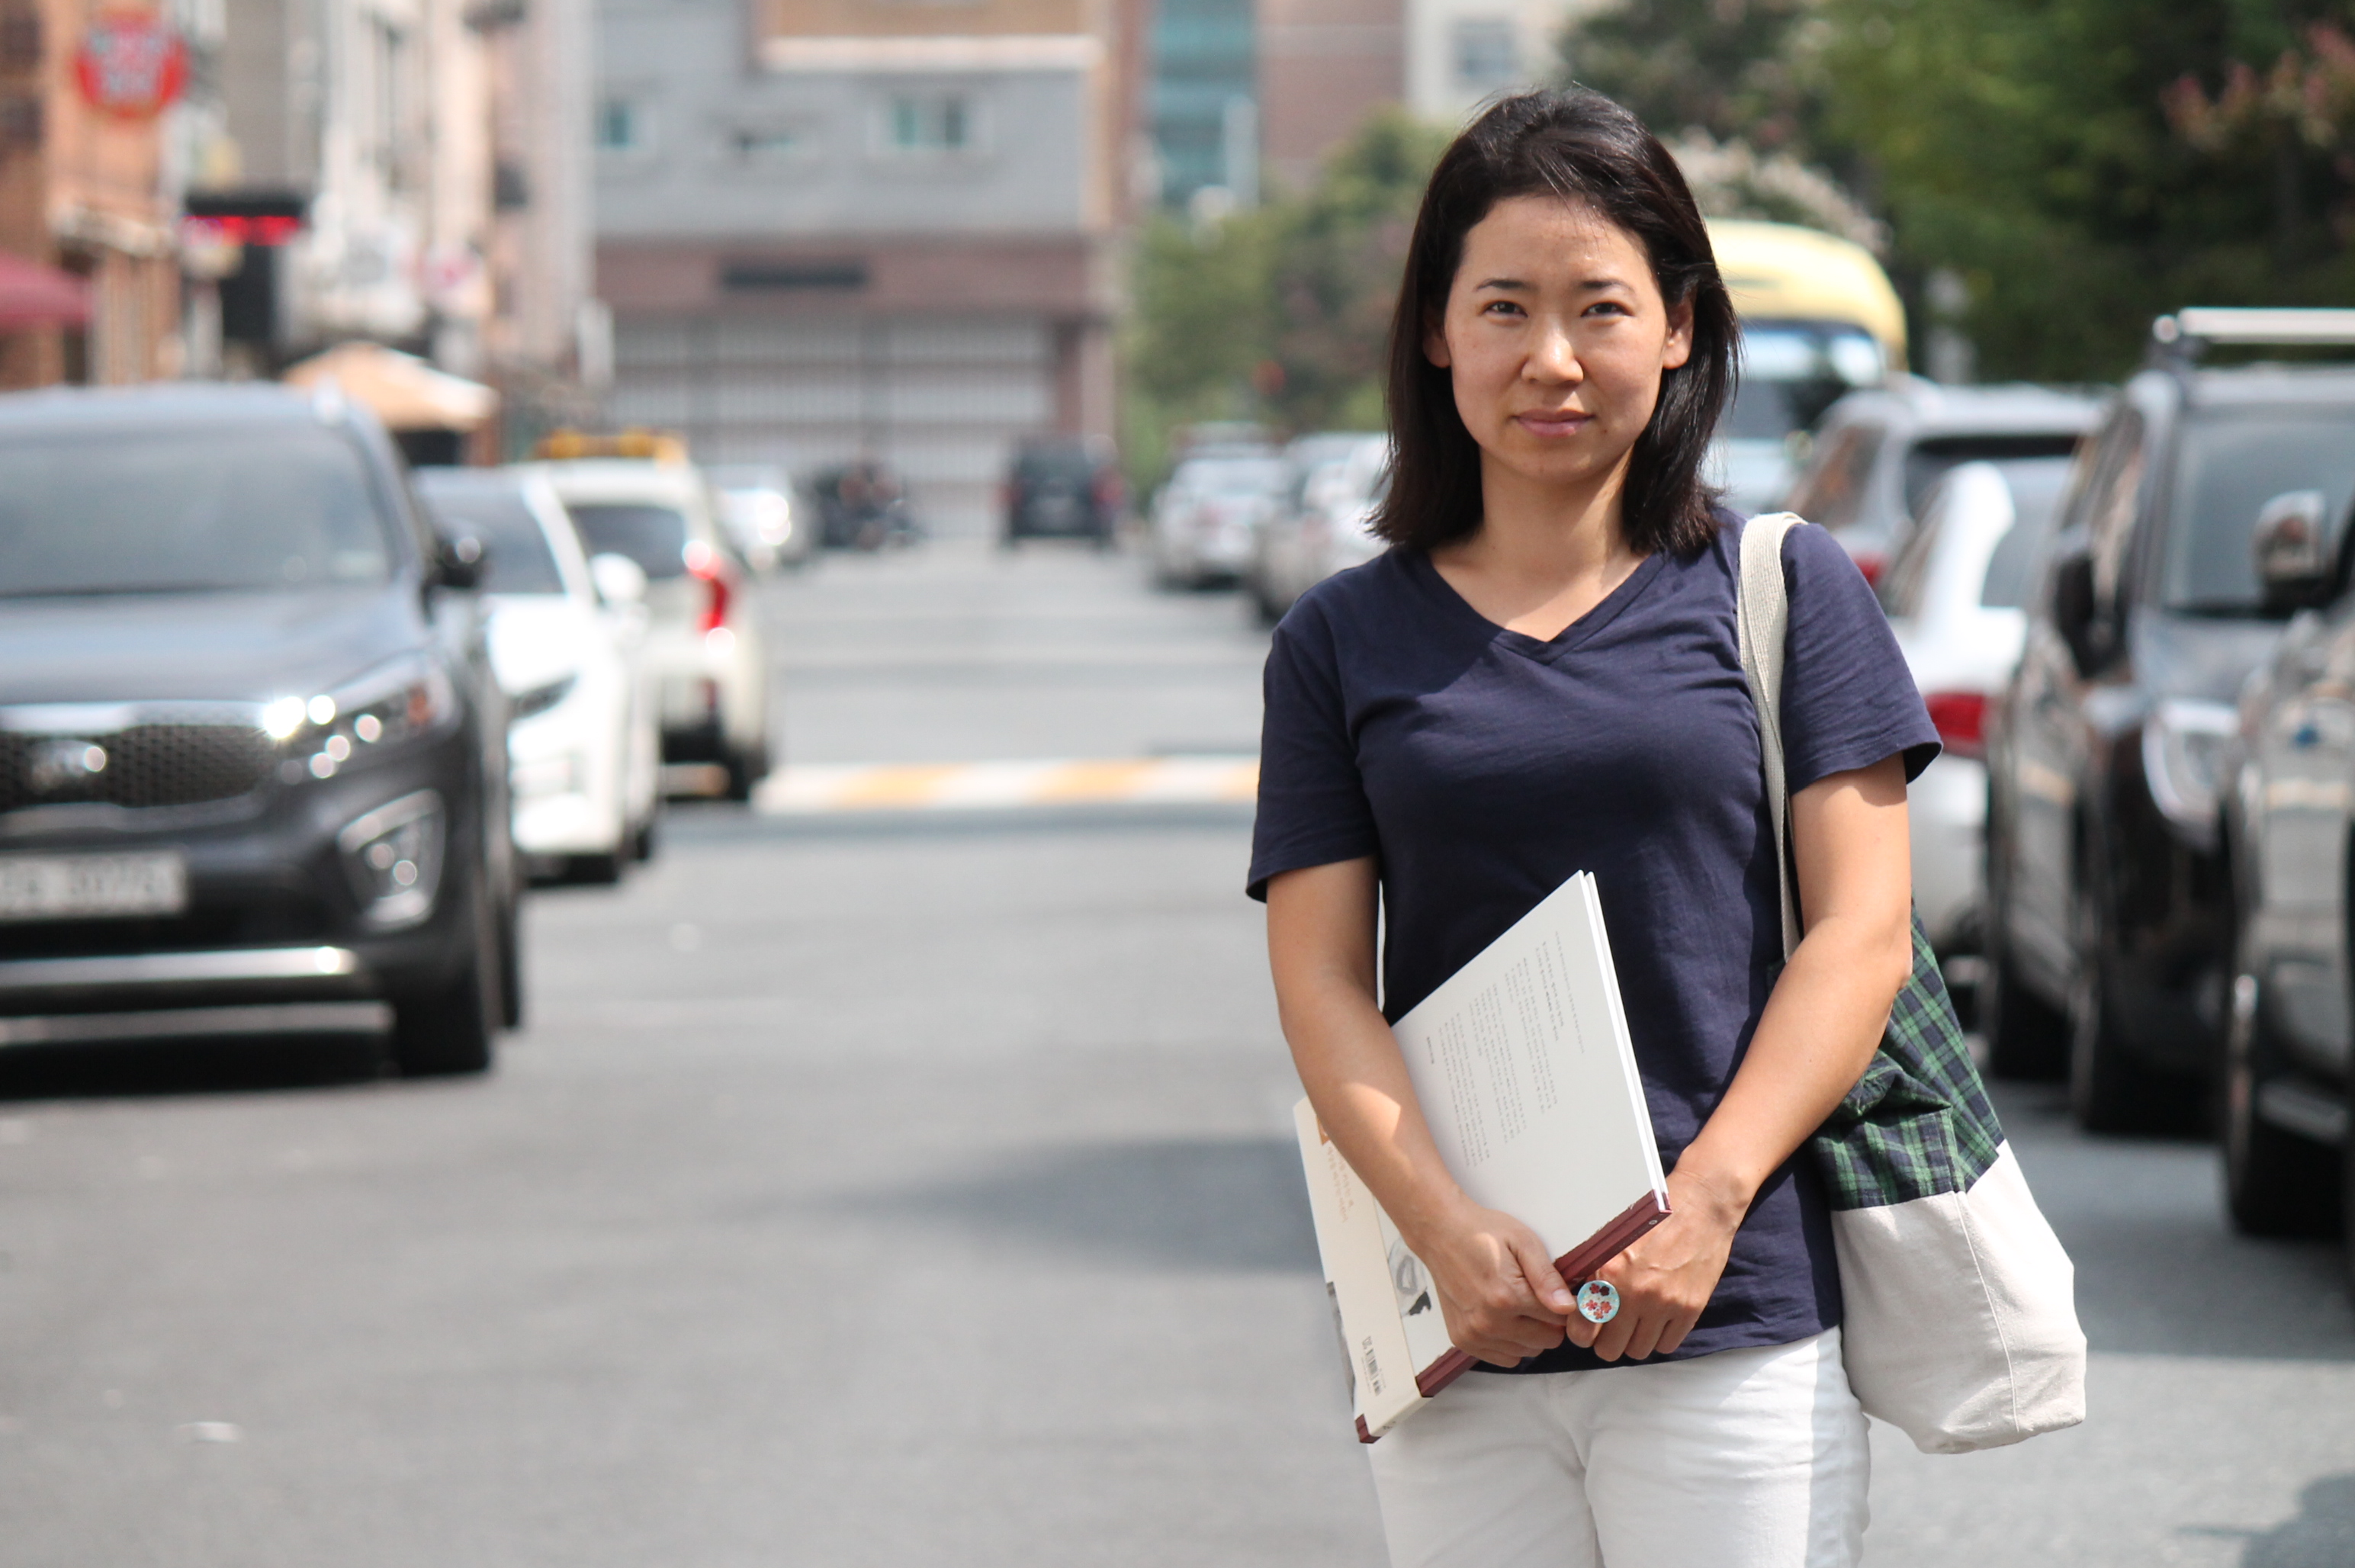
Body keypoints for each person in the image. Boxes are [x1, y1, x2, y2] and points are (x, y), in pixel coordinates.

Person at [1249, 90, 1939, 1568]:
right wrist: (1439, 1224)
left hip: (1730, 1311)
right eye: (1501, 307)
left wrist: (1703, 1202)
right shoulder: (1339, 638)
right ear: (1436, 331)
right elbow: (1319, 981)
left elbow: (1858, 932)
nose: (1548, 359)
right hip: (1462, 1332)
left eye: (1598, 309)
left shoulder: (1785, 589)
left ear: (1679, 329)